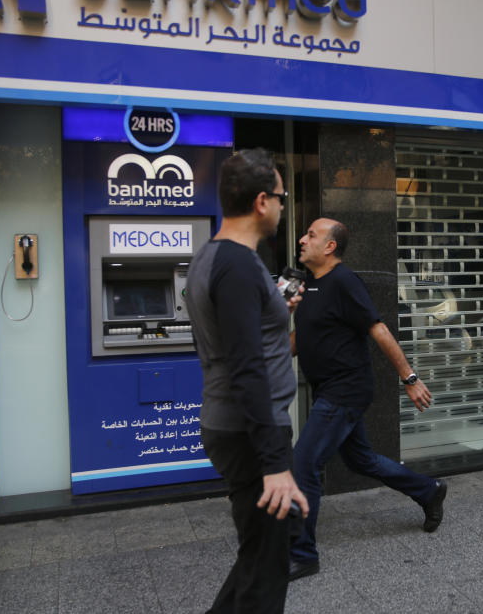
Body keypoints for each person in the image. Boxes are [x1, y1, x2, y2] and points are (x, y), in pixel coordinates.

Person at [288, 217, 447, 581]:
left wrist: (409, 378)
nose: (301, 239)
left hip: (346, 389)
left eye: (310, 235)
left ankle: (302, 554)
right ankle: (429, 490)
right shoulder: (309, 283)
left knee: (304, 464)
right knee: (361, 460)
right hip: (328, 387)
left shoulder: (344, 281)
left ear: (330, 246)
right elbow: (303, 335)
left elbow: (378, 328)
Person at [185, 148, 309, 614]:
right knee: (266, 571)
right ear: (261, 201)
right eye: (280, 197)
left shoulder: (217, 258)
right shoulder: (236, 266)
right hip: (249, 432)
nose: (282, 206)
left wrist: (277, 311)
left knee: (262, 552)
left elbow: (245, 334)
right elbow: (246, 364)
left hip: (239, 428)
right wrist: (275, 462)